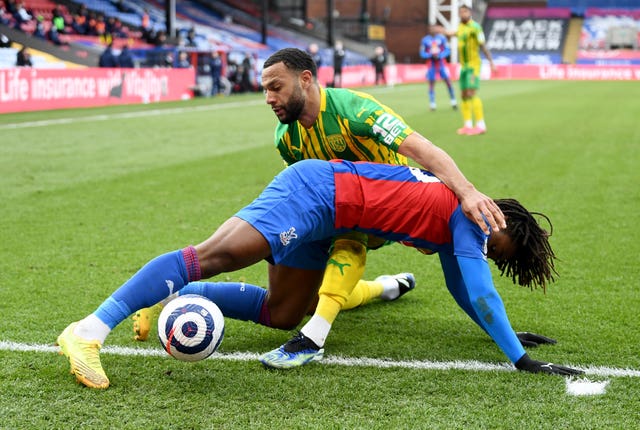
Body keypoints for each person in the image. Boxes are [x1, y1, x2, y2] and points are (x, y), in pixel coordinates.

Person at [131, 47, 512, 367]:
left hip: (388, 206)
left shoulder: (353, 109)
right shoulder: (287, 136)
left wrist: (466, 191)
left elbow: (420, 148)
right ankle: (174, 291)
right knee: (291, 307)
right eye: (265, 90)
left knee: (349, 245)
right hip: (326, 205)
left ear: (307, 79)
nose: (269, 99)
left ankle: (321, 333)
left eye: (275, 88)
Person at [56, 159, 583, 389]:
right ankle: (88, 332)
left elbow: (467, 291)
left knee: (283, 312)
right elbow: (484, 291)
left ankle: (171, 292)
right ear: (494, 214)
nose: (488, 247)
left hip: (328, 217)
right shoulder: (469, 217)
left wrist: (509, 337)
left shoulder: (458, 225)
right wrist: (521, 361)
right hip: (314, 194)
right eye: (496, 241)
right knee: (213, 254)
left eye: (497, 250)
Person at [446, 4, 496, 135]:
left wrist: (491, 62)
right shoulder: (460, 27)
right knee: (463, 95)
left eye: (465, 12)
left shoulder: (475, 28)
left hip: (473, 66)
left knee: (471, 93)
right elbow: (453, 34)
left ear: (470, 13)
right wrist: (441, 31)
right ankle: (467, 125)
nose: (463, 14)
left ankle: (481, 125)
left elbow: (483, 45)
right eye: (461, 12)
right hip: (464, 66)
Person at [420, 25, 457, 111]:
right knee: (431, 83)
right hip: (431, 64)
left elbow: (447, 50)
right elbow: (422, 53)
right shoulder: (425, 40)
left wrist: (440, 55)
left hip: (442, 64)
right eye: (431, 29)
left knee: (448, 81)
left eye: (434, 29)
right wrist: (430, 55)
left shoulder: (442, 38)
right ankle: (432, 104)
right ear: (429, 30)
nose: (433, 30)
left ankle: (453, 101)